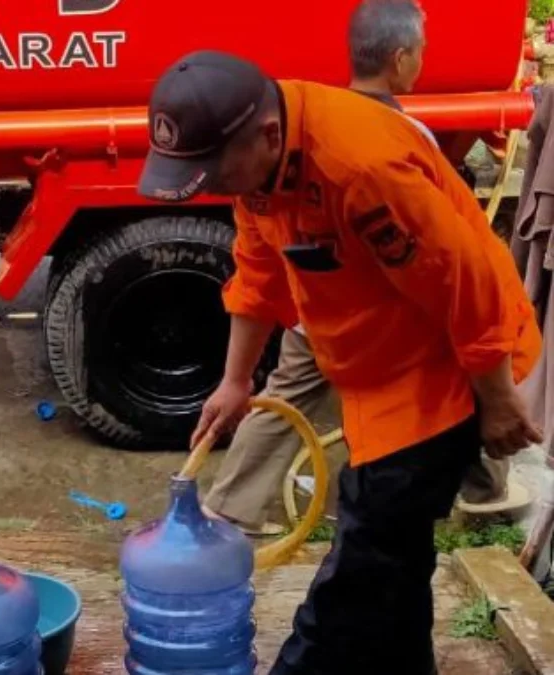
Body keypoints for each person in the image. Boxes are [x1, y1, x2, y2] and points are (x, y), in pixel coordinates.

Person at [138, 47, 542, 675]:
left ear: (268, 136)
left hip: (445, 369)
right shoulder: (259, 163)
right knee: (396, 568)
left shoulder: (362, 170)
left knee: (364, 559)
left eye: (214, 171)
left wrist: (495, 399)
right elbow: (259, 268)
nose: (212, 186)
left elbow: (466, 281)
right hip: (374, 369)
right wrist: (236, 380)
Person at [201, 0, 526, 538]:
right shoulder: (388, 146)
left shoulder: (313, 134)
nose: (420, 65)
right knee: (451, 396)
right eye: (420, 54)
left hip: (324, 320)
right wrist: (497, 400)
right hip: (373, 329)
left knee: (292, 395)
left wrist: (238, 379)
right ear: (400, 60)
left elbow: (460, 282)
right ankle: (486, 492)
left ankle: (228, 510)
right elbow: (459, 288)